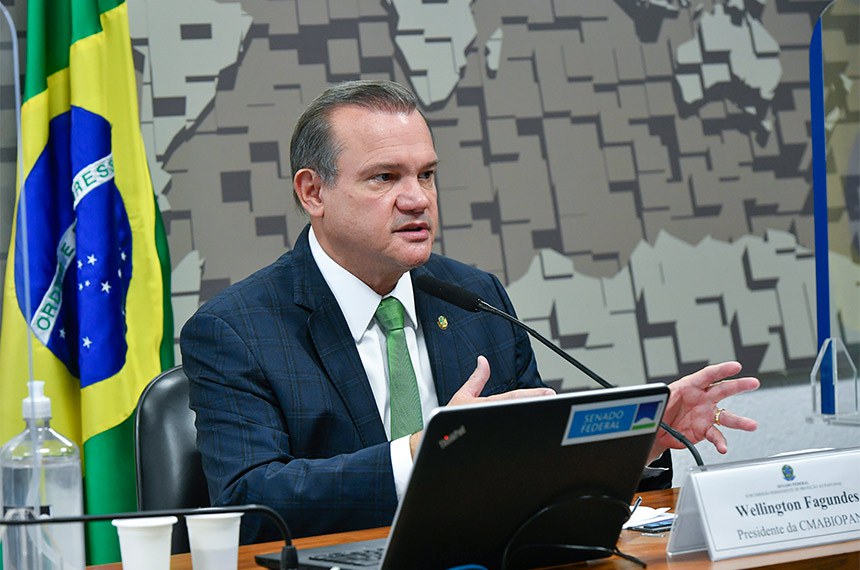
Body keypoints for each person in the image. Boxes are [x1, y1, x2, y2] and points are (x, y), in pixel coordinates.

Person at [180, 80, 759, 543]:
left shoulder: (473, 297)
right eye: (385, 177)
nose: (418, 199)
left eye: (426, 175)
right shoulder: (236, 329)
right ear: (313, 193)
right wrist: (424, 450)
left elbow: (537, 459)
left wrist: (638, 440)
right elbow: (249, 504)